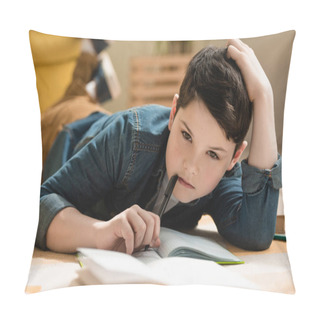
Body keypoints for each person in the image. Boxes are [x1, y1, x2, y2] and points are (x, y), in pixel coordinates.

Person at [37, 39, 281, 255]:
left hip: (104, 124)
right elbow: (40, 207)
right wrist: (100, 232)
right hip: (65, 130)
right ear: (173, 113)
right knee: (70, 102)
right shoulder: (127, 137)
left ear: (234, 158)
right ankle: (88, 62)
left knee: (82, 97)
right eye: (186, 136)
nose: (191, 166)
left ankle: (91, 82)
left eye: (213, 154)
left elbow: (256, 233)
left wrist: (264, 96)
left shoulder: (222, 177)